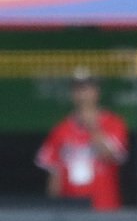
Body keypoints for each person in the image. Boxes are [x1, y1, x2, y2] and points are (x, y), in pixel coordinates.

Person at [35, 71, 130, 211]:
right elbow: (54, 175)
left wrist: (92, 125)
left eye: (87, 89)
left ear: (97, 92)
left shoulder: (114, 124)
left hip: (104, 208)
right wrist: (53, 210)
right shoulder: (61, 129)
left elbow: (112, 155)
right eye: (78, 89)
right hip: (70, 210)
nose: (83, 94)